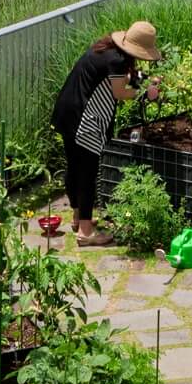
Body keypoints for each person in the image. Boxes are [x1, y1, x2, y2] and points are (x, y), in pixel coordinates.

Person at [50, 20, 161, 246]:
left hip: (67, 111)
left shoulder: (105, 50)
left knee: (74, 166)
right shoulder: (117, 60)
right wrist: (146, 94)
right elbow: (120, 92)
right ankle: (86, 232)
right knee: (88, 172)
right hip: (85, 119)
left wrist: (146, 80)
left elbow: (123, 77)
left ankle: (78, 217)